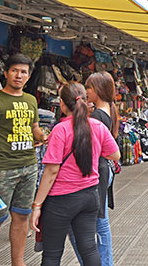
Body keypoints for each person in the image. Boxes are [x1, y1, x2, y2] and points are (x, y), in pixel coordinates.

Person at [30, 83, 120, 266]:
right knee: (89, 249)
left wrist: (37, 204)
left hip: (60, 201)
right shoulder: (97, 126)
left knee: (52, 255)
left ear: (62, 104)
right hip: (89, 196)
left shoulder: (60, 130)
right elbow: (115, 154)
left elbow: (51, 171)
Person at [0, 53, 46, 266]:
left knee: (21, 218)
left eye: (23, 72)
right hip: (2, 170)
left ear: (28, 76)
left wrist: (44, 136)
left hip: (28, 166)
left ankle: (18, 263)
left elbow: (34, 128)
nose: (19, 75)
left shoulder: (31, 100)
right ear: (6, 73)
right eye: (15, 70)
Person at [68, 72, 119, 266]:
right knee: (101, 221)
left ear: (97, 89)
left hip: (99, 170)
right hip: (105, 169)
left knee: (99, 223)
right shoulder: (108, 110)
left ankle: (102, 262)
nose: (86, 91)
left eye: (88, 88)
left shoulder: (98, 115)